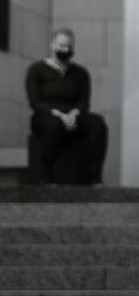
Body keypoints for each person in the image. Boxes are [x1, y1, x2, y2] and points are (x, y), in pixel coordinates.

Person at [24, 29, 108, 185]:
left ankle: (95, 177)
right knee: (53, 125)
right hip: (47, 116)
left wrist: (74, 114)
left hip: (74, 115)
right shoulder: (36, 70)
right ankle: (46, 177)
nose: (66, 50)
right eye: (62, 46)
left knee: (97, 124)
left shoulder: (81, 73)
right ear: (52, 45)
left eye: (69, 46)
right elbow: (35, 102)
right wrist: (60, 115)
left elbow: (84, 102)